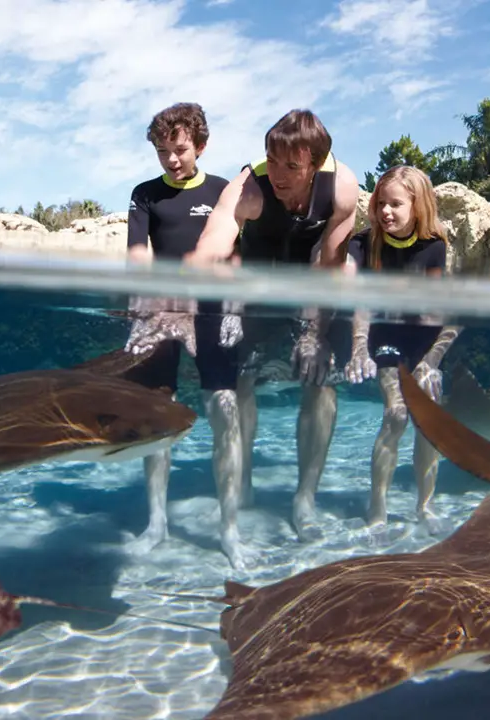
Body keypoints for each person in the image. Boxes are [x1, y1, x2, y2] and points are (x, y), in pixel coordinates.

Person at [170, 108, 361, 561]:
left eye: (291, 167)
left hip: (310, 282)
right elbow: (214, 242)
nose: (277, 174)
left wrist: (314, 333)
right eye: (271, 161)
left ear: (314, 164)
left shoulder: (343, 189)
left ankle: (305, 499)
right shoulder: (249, 187)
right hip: (253, 286)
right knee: (241, 383)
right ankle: (245, 480)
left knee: (322, 385)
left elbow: (330, 268)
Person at [121, 102, 239, 557]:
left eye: (181, 150)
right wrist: (141, 311)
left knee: (224, 410)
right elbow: (137, 256)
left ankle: (228, 529)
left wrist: (233, 310)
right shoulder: (145, 194)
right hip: (163, 312)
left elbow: (232, 259)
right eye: (163, 151)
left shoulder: (222, 191)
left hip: (210, 312)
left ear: (201, 146)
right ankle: (157, 523)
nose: (172, 160)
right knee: (155, 414)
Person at [342, 164, 462, 533]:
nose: (385, 212)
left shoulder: (434, 248)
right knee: (396, 415)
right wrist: (359, 348)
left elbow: (448, 316)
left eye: (395, 204)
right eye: (380, 203)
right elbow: (358, 302)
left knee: (429, 423)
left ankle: (424, 506)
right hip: (386, 337)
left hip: (425, 343)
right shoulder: (362, 245)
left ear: (418, 205)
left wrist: (431, 362)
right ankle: (377, 506)